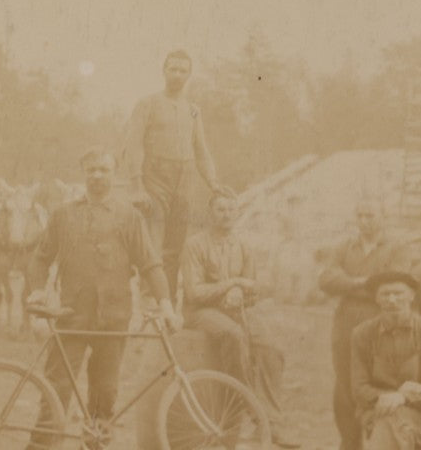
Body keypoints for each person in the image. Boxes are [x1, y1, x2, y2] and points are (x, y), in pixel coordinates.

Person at [26, 147, 181, 449]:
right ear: (83, 173)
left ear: (115, 173)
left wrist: (167, 307)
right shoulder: (63, 215)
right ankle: (41, 445)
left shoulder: (129, 216)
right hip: (70, 317)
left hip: (113, 318)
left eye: (104, 170)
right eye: (91, 170)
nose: (97, 175)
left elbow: (151, 264)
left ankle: (94, 444)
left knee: (105, 391)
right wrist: (37, 290)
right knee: (56, 386)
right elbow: (39, 258)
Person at [180, 192, 299, 447]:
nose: (226, 215)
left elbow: (252, 289)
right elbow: (194, 292)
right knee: (232, 335)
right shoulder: (194, 244)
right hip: (200, 312)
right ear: (210, 213)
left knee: (271, 348)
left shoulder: (242, 245)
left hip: (234, 308)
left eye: (231, 210)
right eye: (220, 210)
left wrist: (240, 295)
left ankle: (273, 421)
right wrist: (231, 284)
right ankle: (249, 403)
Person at [121, 50, 232, 298]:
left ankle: (168, 305)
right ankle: (151, 304)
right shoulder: (147, 104)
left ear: (189, 75)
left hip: (184, 180)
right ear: (164, 71)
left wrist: (213, 182)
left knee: (175, 246)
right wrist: (137, 186)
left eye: (183, 71)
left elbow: (201, 150)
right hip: (154, 179)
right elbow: (133, 144)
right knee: (154, 245)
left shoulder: (193, 110)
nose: (178, 75)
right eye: (173, 69)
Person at [320, 199, 412, 450]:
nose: (364, 221)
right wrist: (365, 284)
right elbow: (326, 278)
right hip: (346, 324)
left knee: (381, 383)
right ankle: (349, 443)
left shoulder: (397, 247)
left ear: (383, 215)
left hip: (382, 324)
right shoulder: (344, 247)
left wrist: (349, 284)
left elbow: (394, 282)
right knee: (345, 384)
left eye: (370, 215)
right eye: (360, 215)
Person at [351, 270, 421, 450]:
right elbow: (359, 388)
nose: (392, 300)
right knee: (392, 423)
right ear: (376, 299)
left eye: (398, 293)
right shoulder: (362, 334)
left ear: (411, 296)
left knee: (391, 425)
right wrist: (385, 397)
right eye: (385, 294)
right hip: (376, 406)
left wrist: (402, 397)